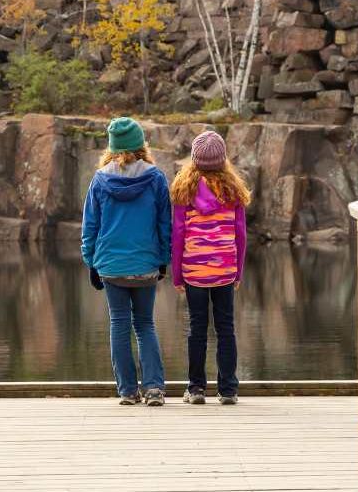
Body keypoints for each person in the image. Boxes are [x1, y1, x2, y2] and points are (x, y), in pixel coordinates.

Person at [81, 117, 172, 406]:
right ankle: (155, 389)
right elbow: (164, 224)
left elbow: (90, 227)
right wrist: (164, 259)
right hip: (146, 264)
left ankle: (128, 391)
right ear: (140, 145)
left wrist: (91, 262)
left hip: (110, 266)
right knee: (145, 324)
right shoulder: (155, 178)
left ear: (112, 147)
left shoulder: (100, 180)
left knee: (119, 324)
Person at [170, 130, 250, 405]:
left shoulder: (184, 190)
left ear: (194, 160)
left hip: (194, 270)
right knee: (226, 328)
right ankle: (228, 389)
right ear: (222, 159)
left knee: (197, 329)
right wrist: (237, 271)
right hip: (225, 270)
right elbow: (240, 234)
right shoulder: (232, 190)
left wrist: (177, 275)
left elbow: (178, 234)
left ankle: (195, 388)